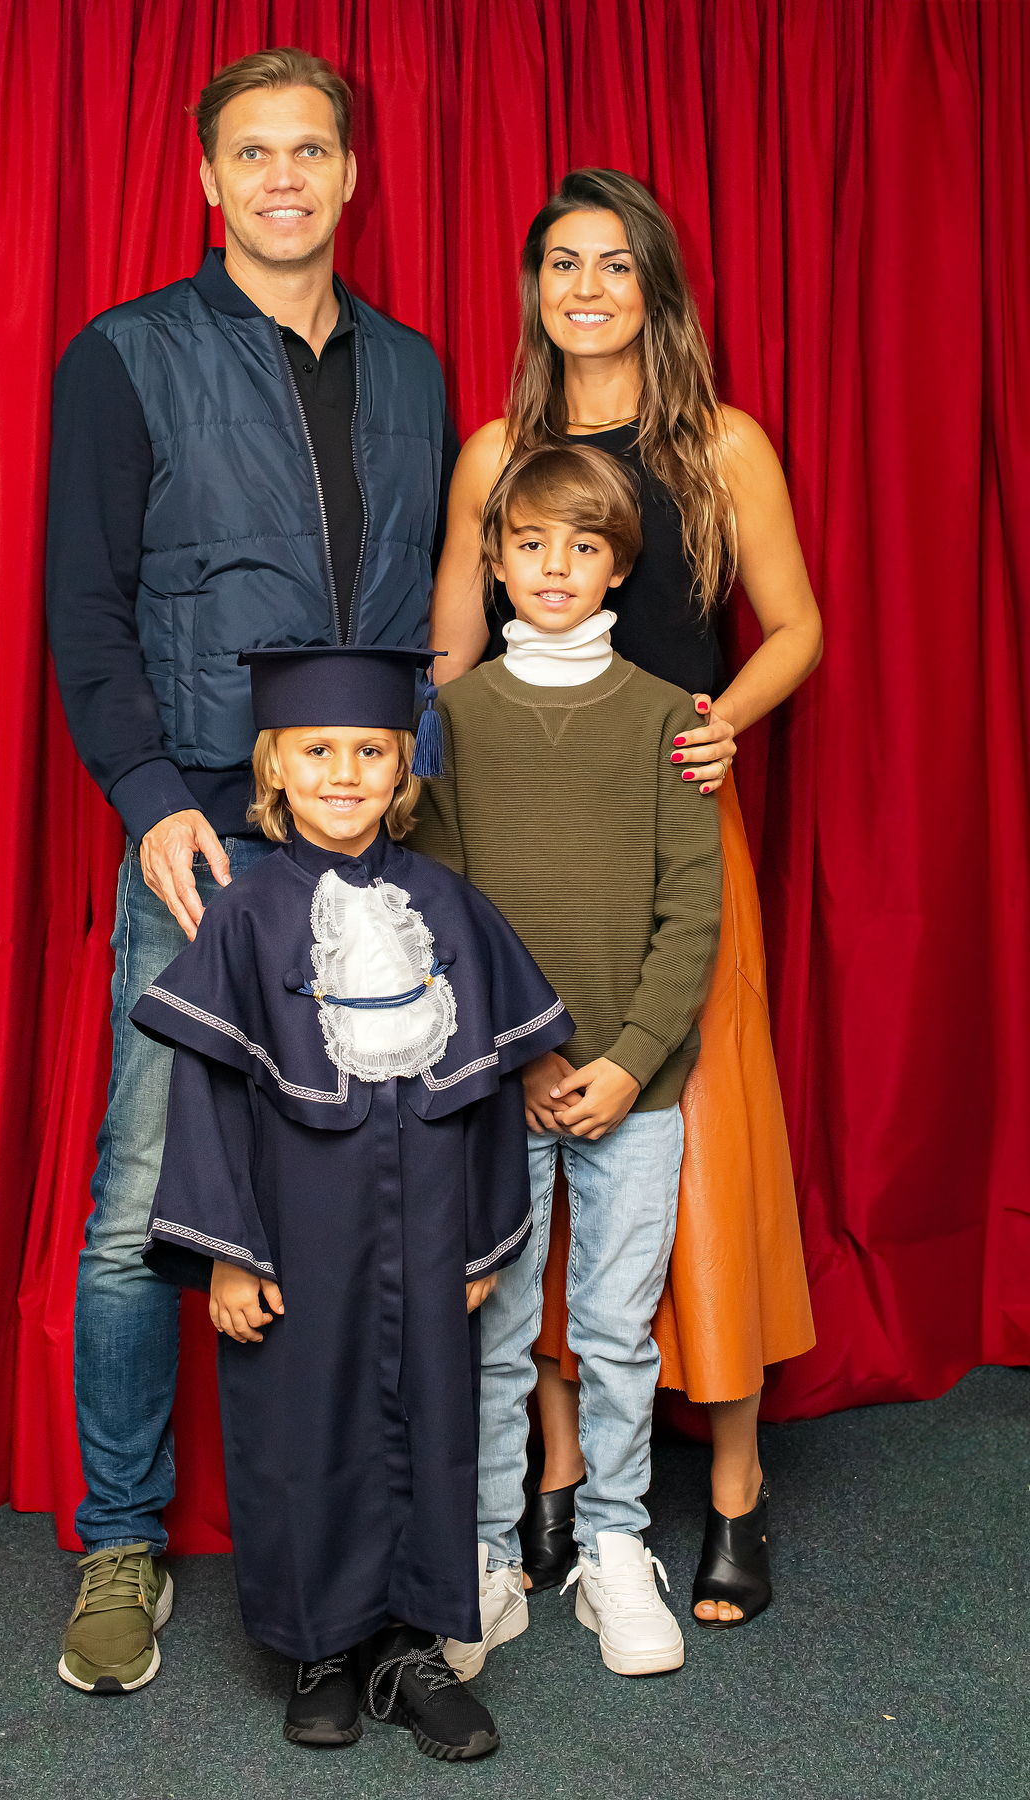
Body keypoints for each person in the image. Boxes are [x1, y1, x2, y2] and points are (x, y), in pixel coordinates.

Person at [45, 48, 459, 1693]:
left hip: (372, 834)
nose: (284, 178)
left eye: (311, 150)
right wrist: (148, 796)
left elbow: (432, 608)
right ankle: (121, 1542)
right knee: (146, 1198)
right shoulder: (125, 354)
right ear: (209, 180)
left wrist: (431, 780)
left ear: (351, 175)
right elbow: (84, 605)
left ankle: (383, 1550)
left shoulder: (416, 371)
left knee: (380, 1192)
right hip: (205, 835)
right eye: (252, 153)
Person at [429, 167, 820, 1629]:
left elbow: (796, 625)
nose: (585, 289)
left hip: (674, 837)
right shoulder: (496, 454)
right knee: (525, 1140)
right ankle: (559, 1474)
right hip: (527, 843)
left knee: (701, 1155)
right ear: (534, 289)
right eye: (561, 264)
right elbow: (452, 657)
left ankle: (734, 1485)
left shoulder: (723, 443)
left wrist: (726, 722)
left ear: (656, 289)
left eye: (613, 264)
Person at [130, 645, 574, 1756]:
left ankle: (412, 1647)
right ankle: (319, 1649)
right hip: (296, 1232)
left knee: (432, 1422)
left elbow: (488, 1092)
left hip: (429, 1227)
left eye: (371, 752)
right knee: (301, 1424)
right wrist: (229, 1252)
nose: (344, 774)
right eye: (317, 751)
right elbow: (206, 1098)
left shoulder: (452, 907)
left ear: (402, 766)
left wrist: (484, 1242)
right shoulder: (242, 916)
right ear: (273, 767)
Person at [411, 443, 723, 1677]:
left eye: (583, 547)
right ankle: (489, 1557)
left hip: (634, 1092)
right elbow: (442, 915)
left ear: (617, 569)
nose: (555, 567)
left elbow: (690, 915)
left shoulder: (665, 718)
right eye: (531, 544)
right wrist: (525, 1058)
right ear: (494, 562)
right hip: (500, 1088)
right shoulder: (456, 720)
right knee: (492, 1334)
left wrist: (630, 1061)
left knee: (616, 1332)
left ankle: (613, 1548)